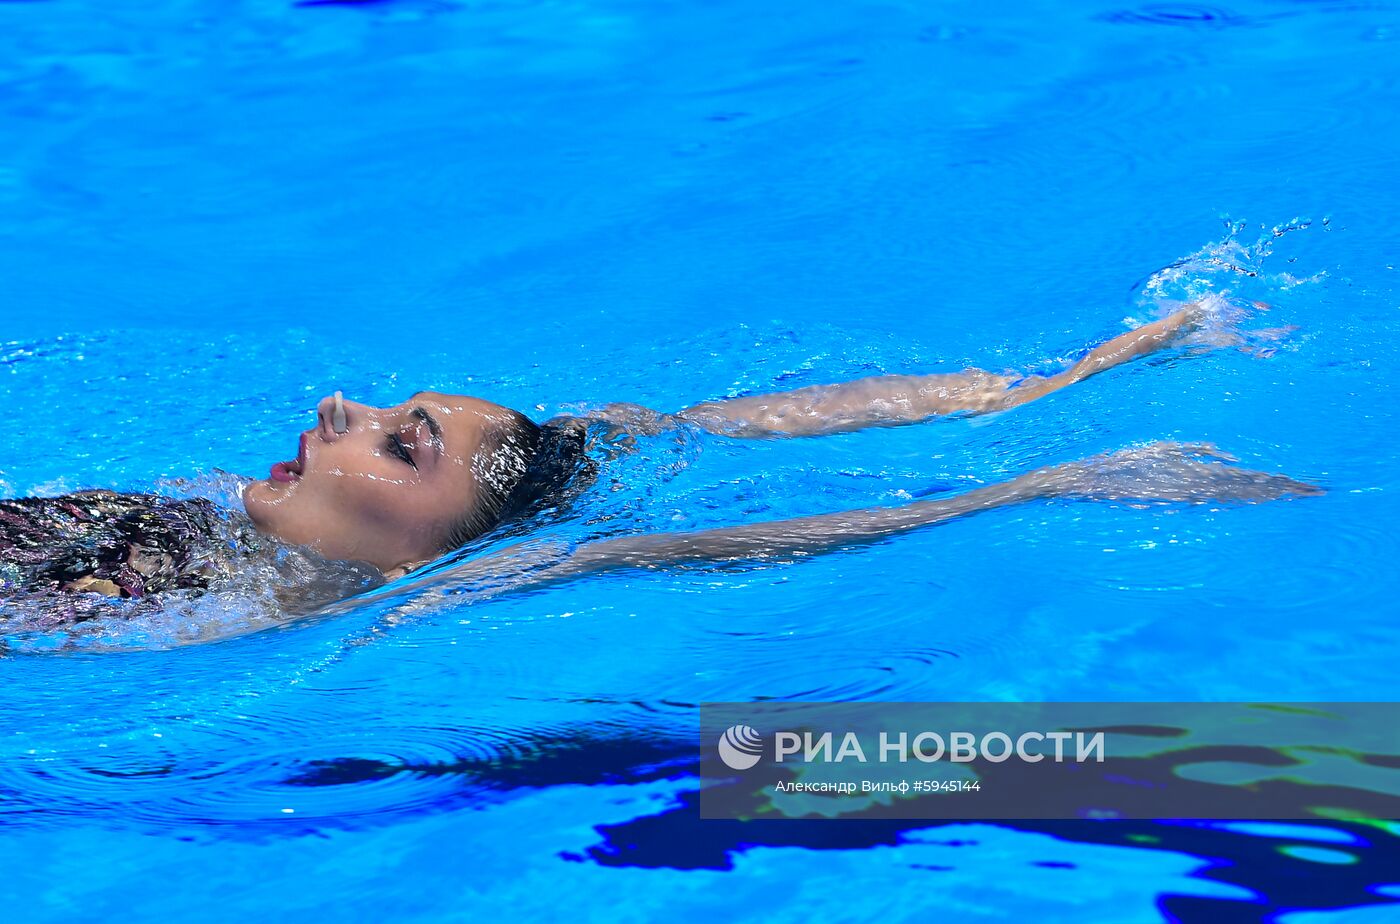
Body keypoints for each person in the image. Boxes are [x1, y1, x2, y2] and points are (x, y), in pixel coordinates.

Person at [1, 304, 1319, 626]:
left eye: (402, 442)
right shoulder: (176, 532)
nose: (338, 405)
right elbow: (693, 422)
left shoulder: (447, 589)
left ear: (435, 551)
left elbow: (722, 543)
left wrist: (1036, 480)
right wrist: (1049, 384)